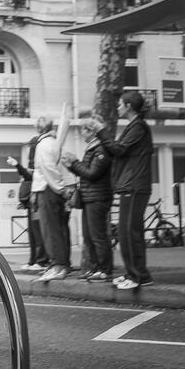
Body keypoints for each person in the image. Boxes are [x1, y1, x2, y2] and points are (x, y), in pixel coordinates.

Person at [92, 91, 154, 289]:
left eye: (120, 105)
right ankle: (133, 274)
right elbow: (118, 149)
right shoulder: (134, 126)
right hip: (130, 184)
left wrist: (102, 131)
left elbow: (118, 150)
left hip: (135, 185)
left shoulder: (139, 127)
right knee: (127, 232)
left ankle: (139, 276)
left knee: (130, 232)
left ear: (128, 106)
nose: (118, 108)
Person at [62, 116, 114, 281]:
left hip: (98, 198)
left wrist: (74, 163)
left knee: (98, 236)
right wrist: (72, 166)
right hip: (90, 197)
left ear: (91, 131)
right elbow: (85, 172)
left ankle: (105, 269)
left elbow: (92, 174)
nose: (80, 132)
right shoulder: (92, 148)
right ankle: (94, 268)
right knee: (89, 236)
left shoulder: (101, 150)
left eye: (83, 129)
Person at [31, 116, 78, 282]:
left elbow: (47, 169)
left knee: (50, 230)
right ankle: (63, 264)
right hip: (56, 190)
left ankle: (57, 266)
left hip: (48, 190)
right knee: (60, 229)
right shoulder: (55, 143)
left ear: (38, 129)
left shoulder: (43, 145)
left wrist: (59, 189)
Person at [7, 138, 49, 273]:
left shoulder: (40, 159)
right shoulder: (35, 159)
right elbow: (28, 177)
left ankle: (41, 261)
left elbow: (29, 176)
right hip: (32, 200)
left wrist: (17, 166)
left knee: (37, 232)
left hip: (37, 200)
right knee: (33, 232)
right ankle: (34, 260)